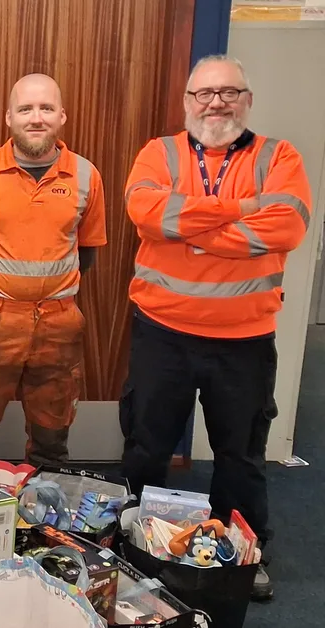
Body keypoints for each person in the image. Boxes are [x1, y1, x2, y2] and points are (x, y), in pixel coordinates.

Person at [120, 55, 312, 601]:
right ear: (187, 102)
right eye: (204, 93)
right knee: (146, 445)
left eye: (229, 92)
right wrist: (241, 211)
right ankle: (136, 542)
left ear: (247, 100)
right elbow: (148, 213)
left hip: (244, 341)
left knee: (241, 455)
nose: (216, 103)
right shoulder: (159, 153)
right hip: (162, 333)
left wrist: (190, 228)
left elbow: (286, 226)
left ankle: (243, 554)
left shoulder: (279, 157)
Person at [0, 73, 107, 477]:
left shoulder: (86, 175)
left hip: (59, 323)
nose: (36, 117)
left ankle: (46, 508)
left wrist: (49, 292)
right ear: (9, 117)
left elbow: (87, 251)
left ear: (62, 115)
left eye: (46, 108)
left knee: (53, 436)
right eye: (26, 109)